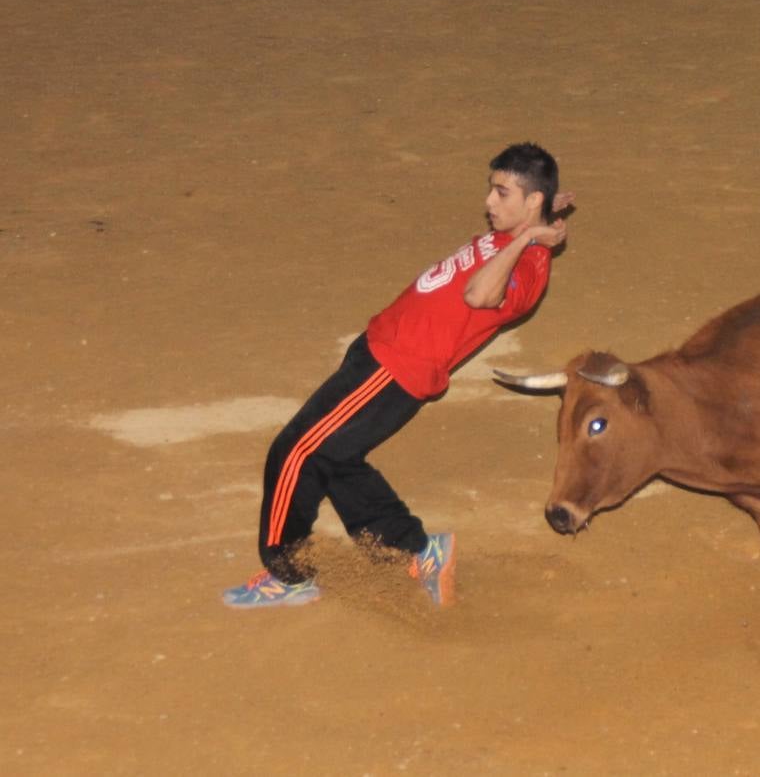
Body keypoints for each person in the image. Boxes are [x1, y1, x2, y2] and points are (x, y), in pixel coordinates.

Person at [223, 142, 573, 609]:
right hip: (378, 350)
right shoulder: (515, 229)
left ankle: (287, 574)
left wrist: (531, 236)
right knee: (335, 458)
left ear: (529, 201)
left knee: (295, 451)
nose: (489, 201)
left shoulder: (529, 265)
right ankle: (418, 552)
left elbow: (480, 295)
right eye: (491, 189)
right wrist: (541, 214)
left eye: (501, 193)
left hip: (395, 369)